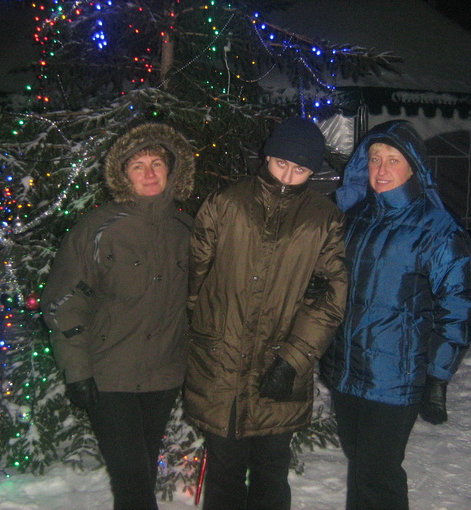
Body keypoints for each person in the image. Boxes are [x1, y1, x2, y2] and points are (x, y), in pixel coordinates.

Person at [184, 117, 348, 510]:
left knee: (270, 474)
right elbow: (196, 277)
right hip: (222, 365)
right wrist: (207, 332)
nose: (288, 177)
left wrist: (292, 360)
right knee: (224, 473)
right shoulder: (227, 203)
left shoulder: (324, 218)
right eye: (281, 164)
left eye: (300, 169)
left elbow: (332, 295)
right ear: (267, 157)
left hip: (281, 365)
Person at [320, 120, 471, 510]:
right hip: (348, 370)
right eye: (375, 159)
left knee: (378, 475)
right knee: (360, 464)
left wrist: (438, 375)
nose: (381, 169)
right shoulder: (355, 217)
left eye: (393, 160)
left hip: (395, 376)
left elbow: (458, 307)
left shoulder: (437, 229)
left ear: (414, 168)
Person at [40, 123, 195, 510]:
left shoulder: (186, 228)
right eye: (137, 165)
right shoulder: (97, 228)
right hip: (109, 373)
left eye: (157, 163)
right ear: (122, 174)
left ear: (172, 169)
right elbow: (64, 301)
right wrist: (76, 368)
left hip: (164, 373)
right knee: (132, 478)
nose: (149, 173)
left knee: (143, 467)